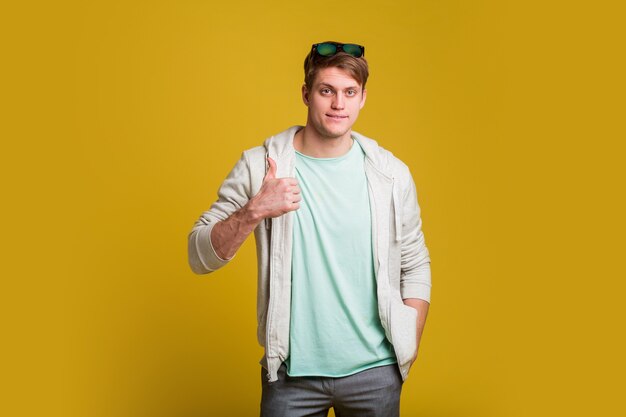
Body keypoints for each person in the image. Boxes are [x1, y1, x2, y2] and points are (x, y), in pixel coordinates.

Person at [188, 41, 431, 417]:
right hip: (290, 377)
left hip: (377, 374)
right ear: (306, 93)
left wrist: (407, 344)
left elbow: (415, 265)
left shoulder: (390, 175)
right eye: (326, 91)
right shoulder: (261, 167)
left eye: (350, 92)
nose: (338, 105)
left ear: (363, 97)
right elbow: (198, 256)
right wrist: (253, 211)